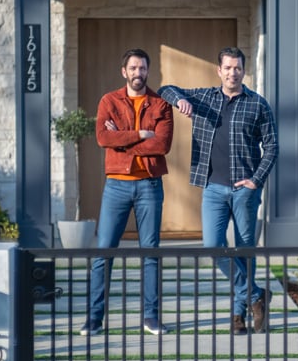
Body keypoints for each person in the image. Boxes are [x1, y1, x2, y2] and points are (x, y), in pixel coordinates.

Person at [159, 47, 278, 334]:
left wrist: (256, 180)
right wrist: (181, 101)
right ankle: (255, 296)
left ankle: (238, 316)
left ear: (243, 70)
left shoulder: (258, 104)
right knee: (214, 247)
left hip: (244, 190)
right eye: (227, 67)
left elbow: (272, 146)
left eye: (237, 68)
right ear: (219, 70)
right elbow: (165, 88)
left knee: (244, 251)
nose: (232, 72)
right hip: (212, 187)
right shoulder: (205, 98)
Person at [80, 48, 174, 336]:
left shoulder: (161, 104)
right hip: (117, 185)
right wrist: (139, 135)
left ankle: (151, 317)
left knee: (150, 253)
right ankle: (94, 319)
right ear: (124, 72)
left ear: (148, 71)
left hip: (149, 185)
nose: (138, 73)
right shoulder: (109, 100)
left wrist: (122, 140)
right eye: (133, 68)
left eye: (142, 68)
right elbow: (102, 137)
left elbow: (162, 145)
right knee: (103, 252)